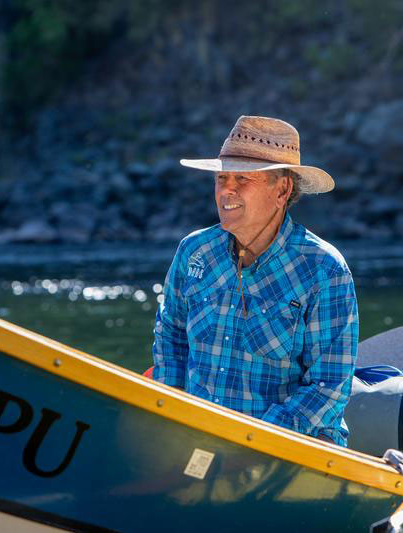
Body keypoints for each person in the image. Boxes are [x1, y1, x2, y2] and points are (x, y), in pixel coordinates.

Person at [152, 115, 358, 446]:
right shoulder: (194, 252)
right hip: (197, 440)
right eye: (221, 178)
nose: (226, 190)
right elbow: (170, 337)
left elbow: (328, 387)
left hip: (289, 453)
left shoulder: (325, 269)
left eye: (243, 179)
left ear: (283, 190)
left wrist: (251, 442)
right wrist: (171, 415)